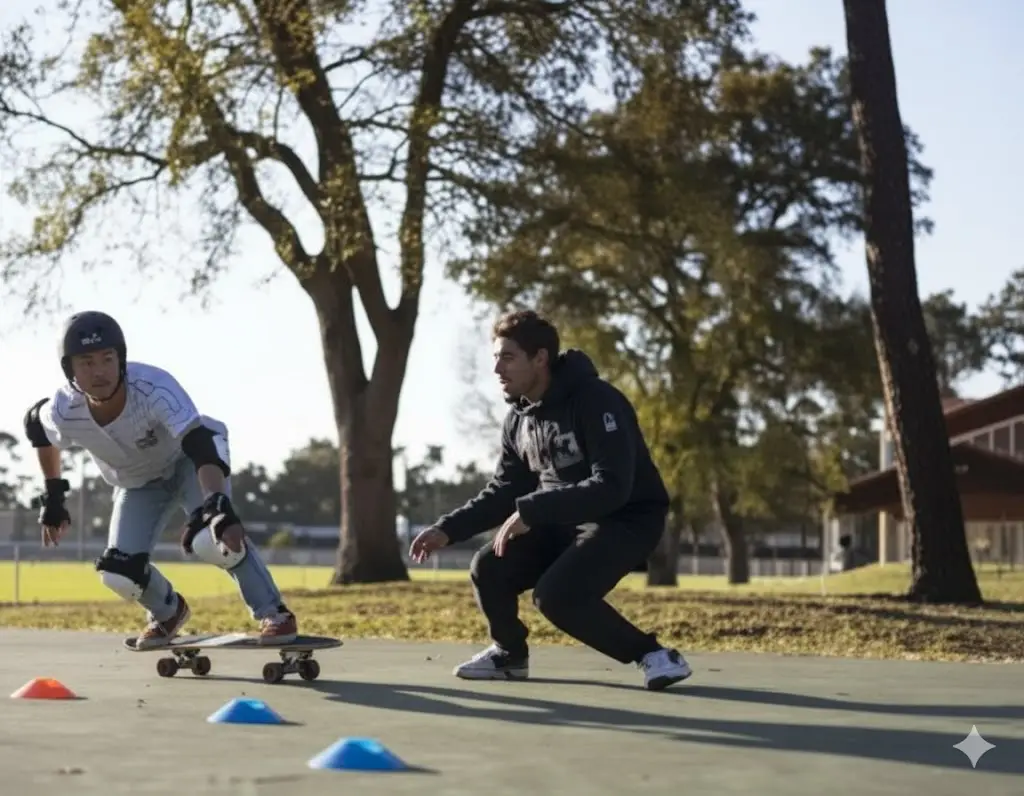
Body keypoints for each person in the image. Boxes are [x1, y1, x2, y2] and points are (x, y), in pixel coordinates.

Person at [409, 310, 692, 691]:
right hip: (559, 522)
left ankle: (654, 655)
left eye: (507, 357)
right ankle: (509, 654)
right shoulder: (518, 418)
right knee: (489, 565)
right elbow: (505, 489)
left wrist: (534, 510)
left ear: (540, 358)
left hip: (625, 519)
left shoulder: (597, 401)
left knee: (556, 597)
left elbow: (612, 486)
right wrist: (448, 529)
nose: (497, 369)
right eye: (495, 357)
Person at [22, 310, 299, 649]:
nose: (99, 372)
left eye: (107, 359)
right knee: (118, 572)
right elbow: (37, 427)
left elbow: (199, 444)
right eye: (87, 362)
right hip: (137, 483)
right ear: (70, 370)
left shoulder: (153, 387)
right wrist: (53, 496)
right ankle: (168, 611)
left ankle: (275, 614)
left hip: (189, 462)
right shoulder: (64, 409)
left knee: (212, 539)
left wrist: (216, 502)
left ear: (120, 358)